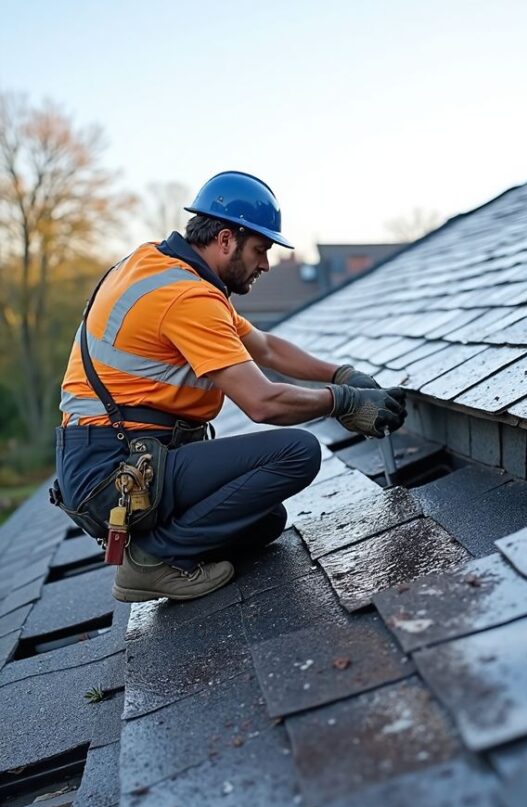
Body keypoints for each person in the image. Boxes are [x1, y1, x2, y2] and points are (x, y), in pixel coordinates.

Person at [56, 171, 406, 603]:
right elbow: (262, 403)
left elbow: (266, 348)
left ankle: (163, 544)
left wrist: (341, 374)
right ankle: (151, 560)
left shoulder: (160, 268)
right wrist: (344, 402)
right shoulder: (186, 297)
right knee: (298, 452)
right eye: (260, 250)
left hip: (113, 461)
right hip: (114, 472)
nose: (265, 264)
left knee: (265, 519)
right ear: (225, 239)